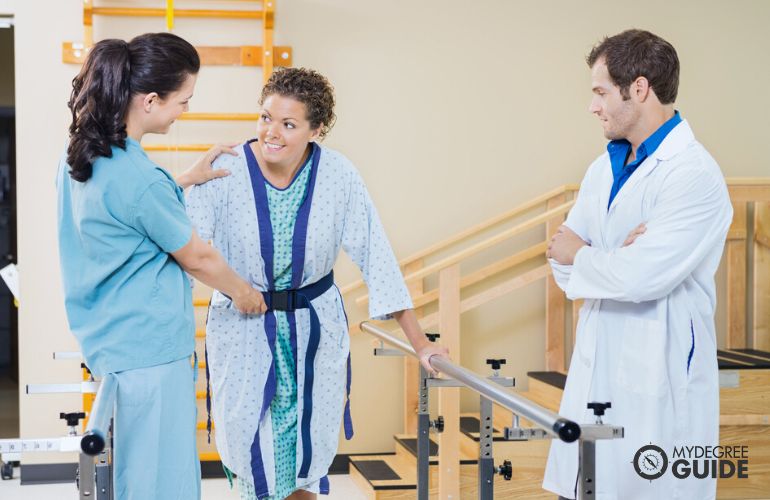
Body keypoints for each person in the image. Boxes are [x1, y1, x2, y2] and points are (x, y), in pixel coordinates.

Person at [185, 67, 448, 500]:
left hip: (314, 334)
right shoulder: (224, 170)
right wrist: (236, 290)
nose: (272, 132)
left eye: (289, 124)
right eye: (266, 117)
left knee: (304, 459)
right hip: (244, 329)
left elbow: (376, 257)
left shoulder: (338, 175)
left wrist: (420, 344)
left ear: (316, 129)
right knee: (255, 460)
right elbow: (188, 246)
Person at [56, 33, 266, 500]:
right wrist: (246, 294)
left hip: (110, 344)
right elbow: (199, 257)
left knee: (138, 477)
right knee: (160, 484)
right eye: (183, 101)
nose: (184, 111)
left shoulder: (81, 155)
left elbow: (121, 209)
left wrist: (185, 178)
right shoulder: (141, 179)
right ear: (150, 100)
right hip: (151, 352)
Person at [544, 29, 732, 499]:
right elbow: (561, 261)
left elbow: (642, 277)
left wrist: (598, 259)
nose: (593, 106)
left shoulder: (694, 174)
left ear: (640, 88)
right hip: (599, 364)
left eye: (601, 92)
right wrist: (612, 259)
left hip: (661, 375)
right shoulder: (602, 167)